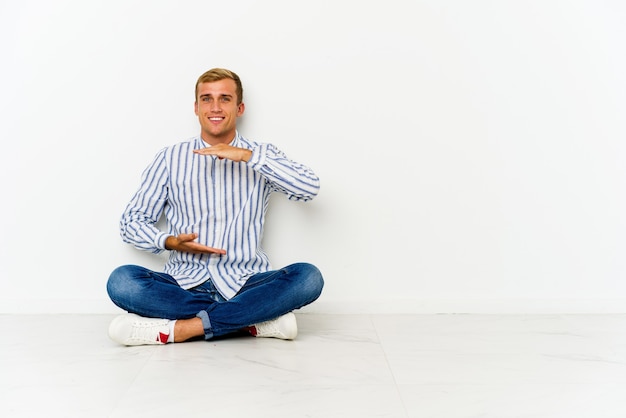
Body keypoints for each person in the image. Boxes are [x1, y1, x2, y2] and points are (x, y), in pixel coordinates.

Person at [106, 68, 324, 346]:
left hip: (246, 283)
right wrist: (170, 241)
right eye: (207, 99)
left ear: (239, 107)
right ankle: (250, 322)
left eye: (225, 98)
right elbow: (131, 222)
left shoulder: (261, 155)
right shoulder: (170, 158)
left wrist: (247, 156)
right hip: (184, 284)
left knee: (308, 277)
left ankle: (183, 330)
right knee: (122, 281)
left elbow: (309, 188)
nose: (215, 107)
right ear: (196, 108)